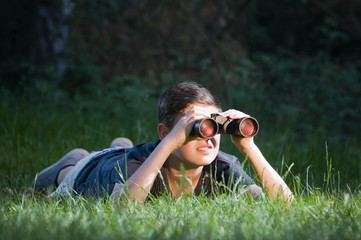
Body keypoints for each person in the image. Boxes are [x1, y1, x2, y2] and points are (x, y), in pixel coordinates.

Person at [32, 82, 293, 202]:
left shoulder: (223, 167)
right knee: (75, 173)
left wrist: (249, 147)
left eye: (213, 126)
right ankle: (70, 162)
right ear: (165, 133)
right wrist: (169, 143)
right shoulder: (134, 165)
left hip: (134, 153)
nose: (209, 136)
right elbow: (124, 207)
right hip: (93, 170)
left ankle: (121, 143)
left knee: (124, 148)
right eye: (195, 128)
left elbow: (285, 206)